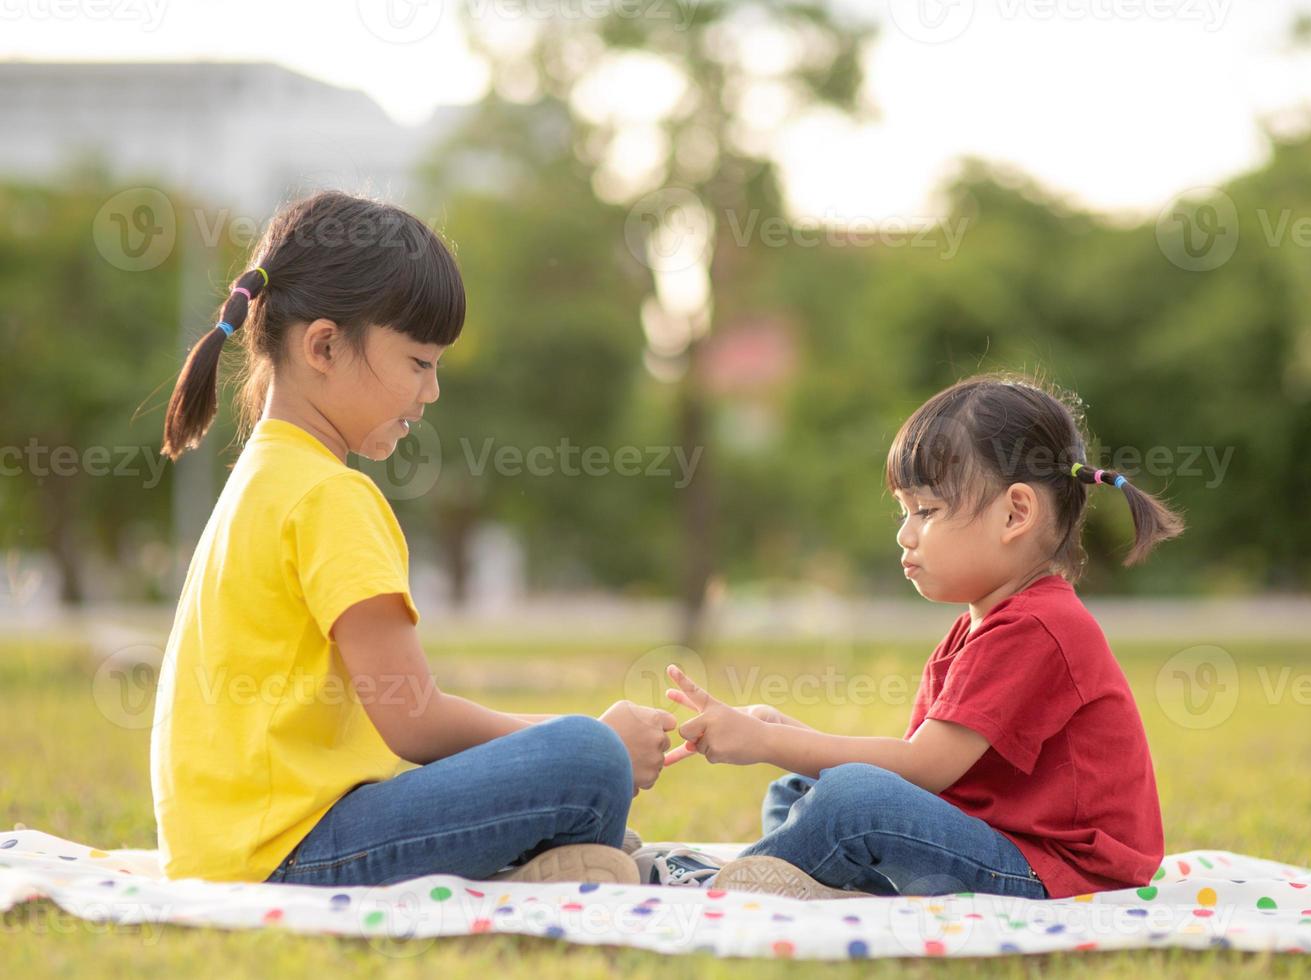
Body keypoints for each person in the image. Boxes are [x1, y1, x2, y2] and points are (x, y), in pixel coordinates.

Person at [151, 190, 675, 886]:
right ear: (325, 346)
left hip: (232, 847)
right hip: (288, 854)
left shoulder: (264, 475)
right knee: (587, 759)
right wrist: (596, 736)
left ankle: (548, 854)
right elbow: (416, 724)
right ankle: (549, 850)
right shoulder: (330, 496)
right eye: (419, 364)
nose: (429, 394)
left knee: (574, 759)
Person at [661, 373, 1183, 900]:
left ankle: (716, 888)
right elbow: (916, 769)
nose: (904, 534)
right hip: (1000, 840)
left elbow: (922, 770)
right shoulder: (981, 625)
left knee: (851, 798)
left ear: (1015, 513)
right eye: (904, 511)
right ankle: (827, 882)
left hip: (1057, 868)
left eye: (926, 511)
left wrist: (767, 741)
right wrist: (782, 729)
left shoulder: (1039, 628)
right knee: (799, 789)